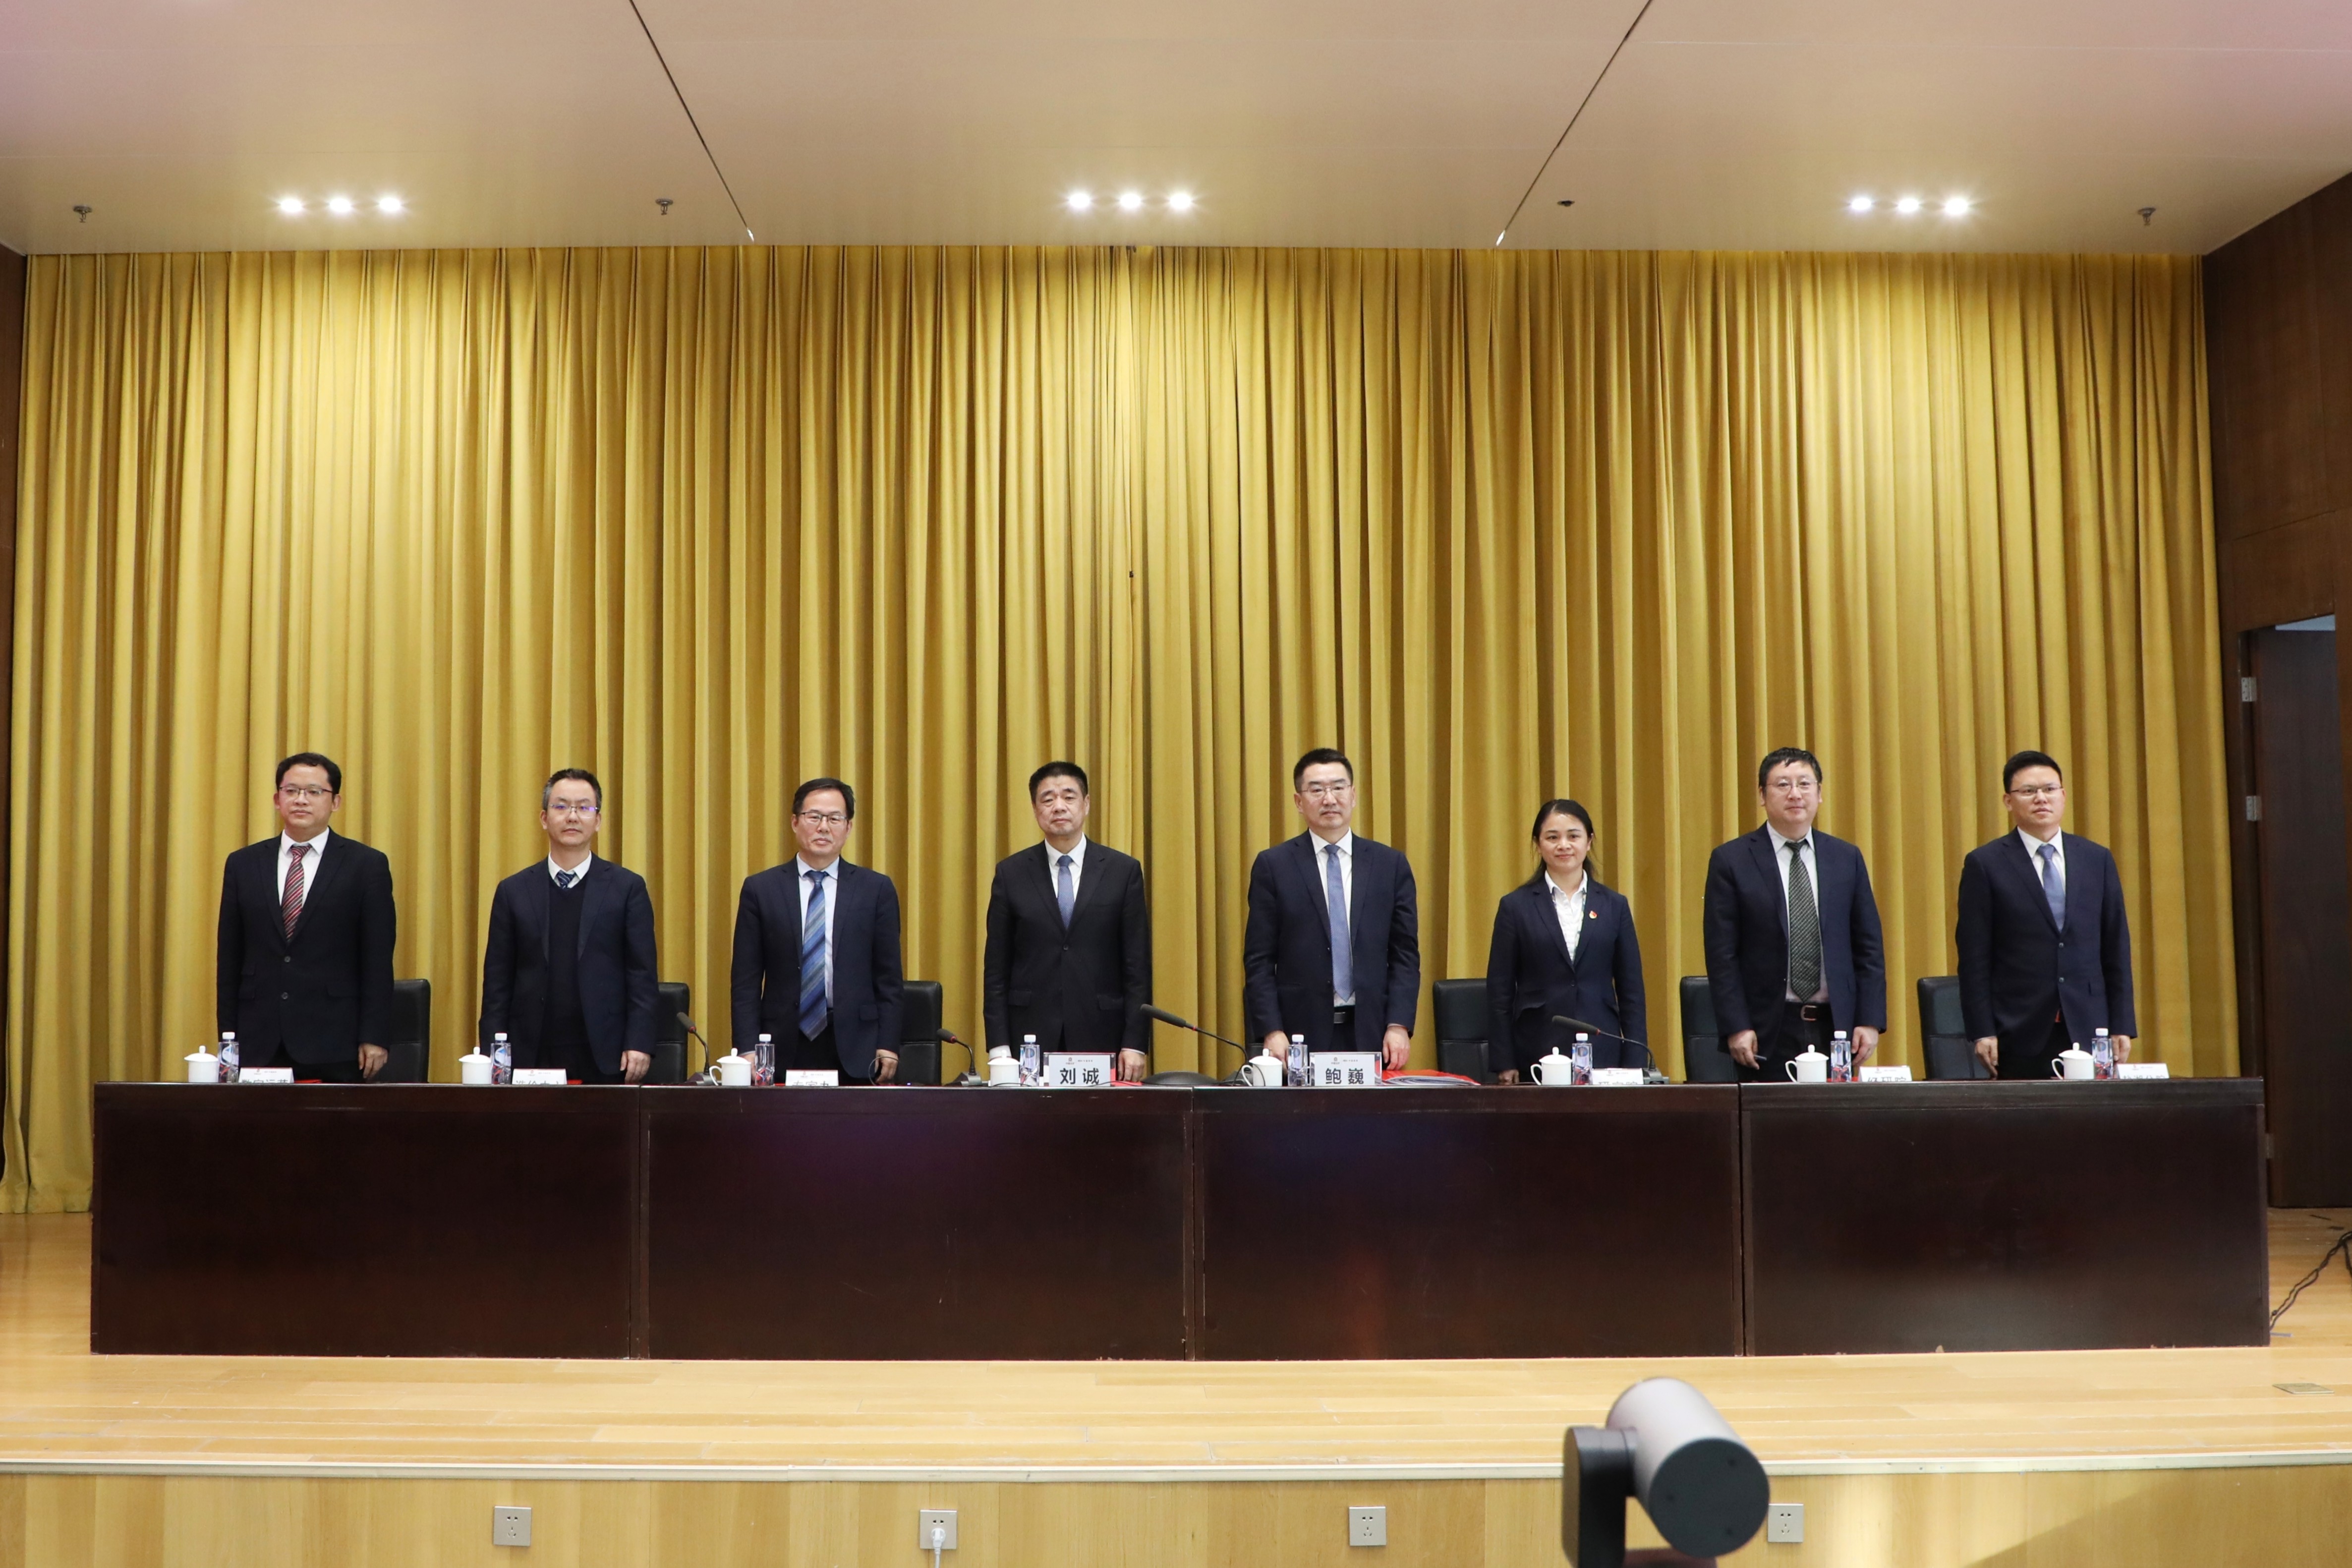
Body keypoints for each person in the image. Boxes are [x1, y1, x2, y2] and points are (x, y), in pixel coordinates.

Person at [1702, 748, 1886, 1080]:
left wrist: (1869, 1020)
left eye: (1804, 784)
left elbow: (1868, 947)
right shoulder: (1732, 860)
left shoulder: (1846, 858)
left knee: (1836, 1115)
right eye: (1782, 784)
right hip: (1765, 1028)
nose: (1795, 794)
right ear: (1762, 795)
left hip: (1837, 1027)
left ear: (1819, 793)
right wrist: (1736, 1025)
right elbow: (1721, 955)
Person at [214, 752, 397, 1082]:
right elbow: (229, 957)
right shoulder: (243, 864)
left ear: (335, 802)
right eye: (291, 791)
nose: (301, 800)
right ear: (277, 799)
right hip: (259, 1037)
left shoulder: (366, 865)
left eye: (314, 792)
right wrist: (228, 1039)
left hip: (335, 1038)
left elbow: (378, 959)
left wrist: (375, 1035)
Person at [1956, 751, 2136, 1079]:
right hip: (2018, 1028)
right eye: (2028, 791)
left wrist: (2122, 1023)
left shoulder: (2096, 859)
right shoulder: (1985, 864)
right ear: (2008, 801)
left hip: (2089, 1026)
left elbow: (2116, 947)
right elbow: (1974, 957)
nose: (2041, 798)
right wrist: (1982, 1030)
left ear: (2063, 795)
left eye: (2049, 789)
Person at [1243, 748, 1420, 1069]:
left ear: (1353, 795)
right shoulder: (1274, 866)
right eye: (1316, 790)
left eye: (1338, 787)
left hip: (1373, 1031)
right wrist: (1272, 1030)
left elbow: (1405, 955)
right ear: (1299, 801)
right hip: (1298, 1036)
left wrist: (1398, 1024)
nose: (1329, 799)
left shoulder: (1389, 865)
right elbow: (1259, 959)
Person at [478, 769, 659, 1084]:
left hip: (607, 1052)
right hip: (530, 1052)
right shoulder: (514, 891)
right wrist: (495, 1053)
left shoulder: (627, 888)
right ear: (544, 818)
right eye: (561, 806)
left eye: (584, 807)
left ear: (598, 821)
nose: (572, 816)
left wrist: (640, 1042)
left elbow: (642, 975)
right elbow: (497, 983)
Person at [983, 761, 1153, 1081]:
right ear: (1035, 809)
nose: (1059, 806)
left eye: (1069, 797)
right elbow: (996, 970)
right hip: (1029, 1037)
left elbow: (1137, 968)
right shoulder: (1011, 873)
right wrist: (999, 1047)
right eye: (1048, 799)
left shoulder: (1122, 871)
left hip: (1102, 1031)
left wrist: (1135, 1042)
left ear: (1086, 804)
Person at [730, 777, 905, 1082]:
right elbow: (746, 980)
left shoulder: (875, 890)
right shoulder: (761, 889)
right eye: (814, 817)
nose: (824, 827)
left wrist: (888, 1044)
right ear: (795, 822)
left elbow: (889, 979)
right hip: (781, 1043)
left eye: (835, 819)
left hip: (857, 1044)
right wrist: (747, 1047)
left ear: (848, 828)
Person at [1484, 800, 1648, 1079]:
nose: (1564, 845)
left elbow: (1631, 991)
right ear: (1538, 844)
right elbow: (1500, 992)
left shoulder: (1614, 906)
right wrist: (1504, 1061)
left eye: (1573, 836)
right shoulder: (1516, 907)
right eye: (1552, 838)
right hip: (1536, 1048)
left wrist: (1635, 1062)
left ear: (1589, 841)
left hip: (1603, 1048)